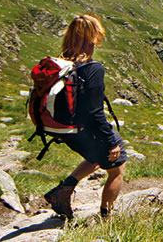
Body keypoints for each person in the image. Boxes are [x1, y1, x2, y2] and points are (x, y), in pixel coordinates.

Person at [43, 15, 127, 219]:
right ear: (92, 39)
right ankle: (107, 218)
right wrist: (110, 141)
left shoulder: (60, 66)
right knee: (117, 169)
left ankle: (62, 192)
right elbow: (95, 111)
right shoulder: (92, 69)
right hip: (83, 128)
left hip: (64, 129)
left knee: (95, 157)